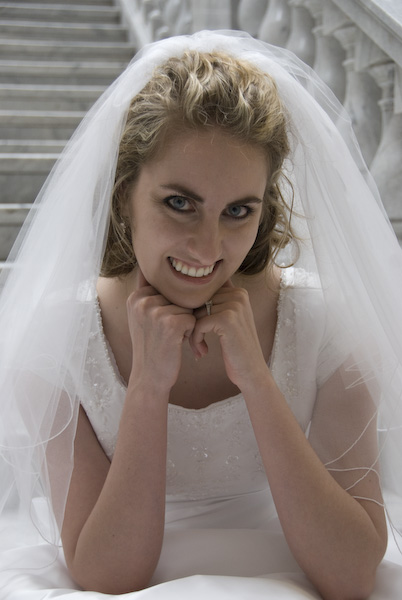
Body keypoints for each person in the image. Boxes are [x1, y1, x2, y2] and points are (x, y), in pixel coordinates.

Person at [1, 30, 402, 600]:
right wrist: (147, 385)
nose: (208, 247)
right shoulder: (59, 339)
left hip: (291, 567)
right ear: (124, 194)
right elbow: (107, 575)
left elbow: (351, 574)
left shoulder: (328, 326)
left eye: (238, 211)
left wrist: (257, 380)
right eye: (179, 203)